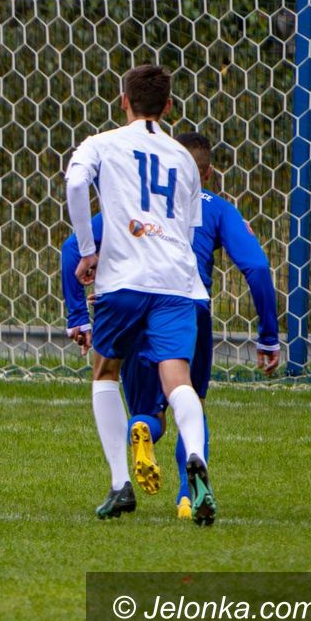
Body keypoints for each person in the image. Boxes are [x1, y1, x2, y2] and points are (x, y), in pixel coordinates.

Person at [61, 130, 280, 518]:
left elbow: (69, 249)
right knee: (188, 394)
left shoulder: (135, 204)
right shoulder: (214, 207)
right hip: (185, 302)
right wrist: (268, 336)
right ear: (206, 174)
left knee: (138, 403)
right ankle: (185, 495)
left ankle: (130, 454)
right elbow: (258, 267)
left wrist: (78, 315)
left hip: (130, 298)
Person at [64, 64, 216, 525]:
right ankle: (196, 461)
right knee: (178, 380)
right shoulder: (184, 158)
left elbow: (74, 184)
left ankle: (119, 484)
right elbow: (189, 230)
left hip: (124, 280)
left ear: (123, 100)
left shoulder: (101, 143)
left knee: (105, 371)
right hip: (177, 283)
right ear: (168, 106)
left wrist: (88, 252)